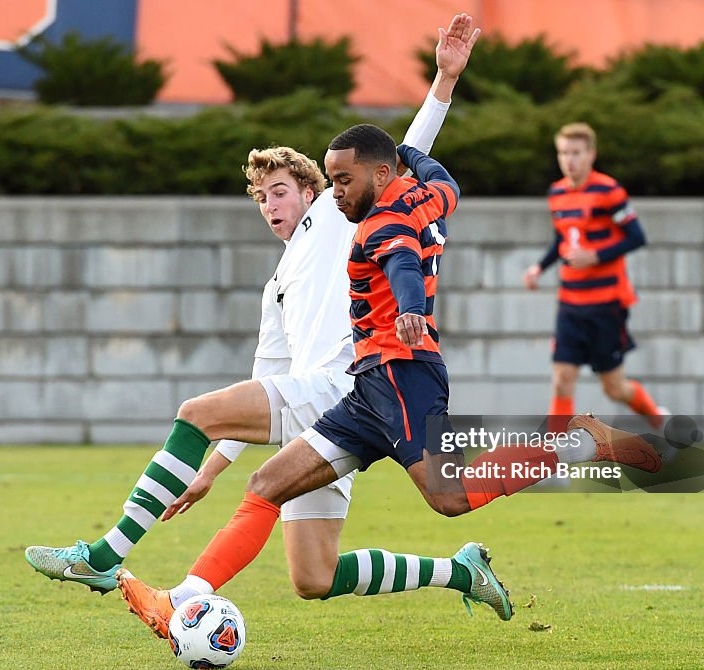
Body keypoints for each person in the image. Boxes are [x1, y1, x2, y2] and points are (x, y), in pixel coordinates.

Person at [27, 13, 508, 617]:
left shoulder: (337, 216)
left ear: (312, 190)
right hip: (334, 407)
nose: (270, 203)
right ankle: (458, 571)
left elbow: (405, 152)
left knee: (195, 412)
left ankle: (104, 555)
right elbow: (266, 371)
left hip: (342, 383)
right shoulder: (276, 284)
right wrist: (210, 466)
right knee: (314, 574)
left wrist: (443, 81)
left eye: (280, 189)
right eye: (260, 197)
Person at [116, 121, 663, 639]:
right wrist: (413, 156)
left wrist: (409, 306)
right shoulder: (432, 196)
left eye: (343, 181)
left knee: (449, 498)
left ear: (380, 176)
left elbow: (401, 261)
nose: (335, 193)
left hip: (403, 375)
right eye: (332, 181)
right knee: (267, 488)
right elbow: (443, 180)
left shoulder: (382, 224)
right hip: (366, 388)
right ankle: (182, 598)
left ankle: (580, 441)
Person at [523, 123, 667, 433]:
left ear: (591, 154)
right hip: (570, 303)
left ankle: (658, 419)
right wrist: (539, 268)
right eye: (563, 153)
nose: (569, 160)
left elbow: (636, 237)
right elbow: (561, 241)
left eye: (576, 153)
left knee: (614, 388)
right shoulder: (557, 193)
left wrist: (596, 256)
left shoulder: (609, 191)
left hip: (606, 304)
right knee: (562, 379)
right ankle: (557, 455)